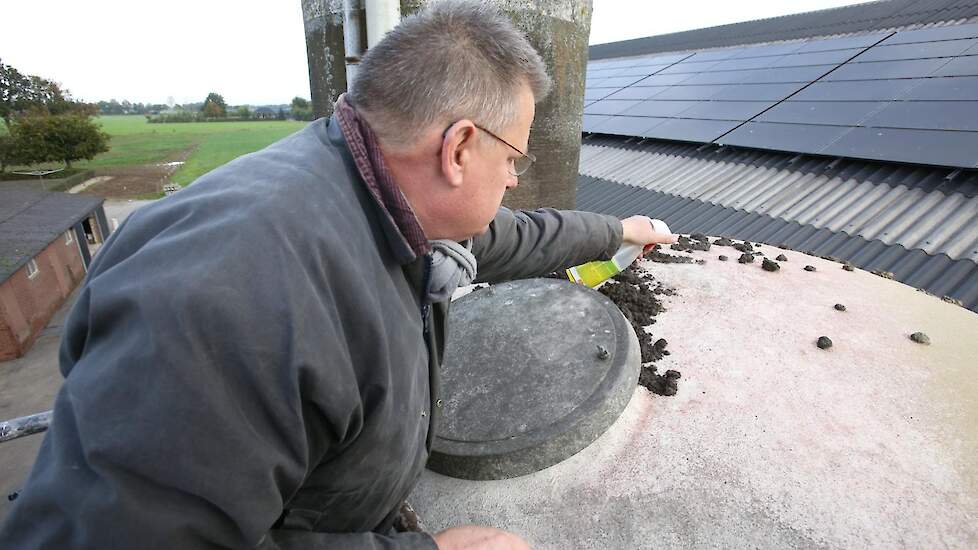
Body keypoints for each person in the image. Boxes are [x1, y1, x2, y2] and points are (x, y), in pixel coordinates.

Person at [0, 2, 675, 549]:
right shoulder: (233, 298)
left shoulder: (366, 185)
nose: (514, 179)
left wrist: (618, 231)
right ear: (460, 147)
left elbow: (504, 234)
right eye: (514, 160)